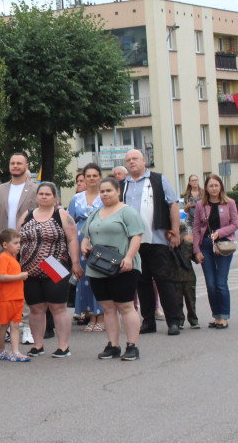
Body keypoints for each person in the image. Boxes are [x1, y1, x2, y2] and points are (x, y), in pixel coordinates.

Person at [81, 177, 146, 362]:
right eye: (102, 191)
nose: (105, 194)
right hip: (98, 267)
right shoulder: (95, 214)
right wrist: (85, 246)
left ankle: (132, 346)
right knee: (108, 307)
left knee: (126, 306)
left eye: (109, 191)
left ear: (118, 191)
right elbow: (87, 236)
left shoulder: (127, 212)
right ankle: (113, 345)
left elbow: (136, 236)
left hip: (123, 266)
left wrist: (129, 258)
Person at [119, 149, 182, 336]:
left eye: (135, 159)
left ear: (144, 161)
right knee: (141, 281)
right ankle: (148, 321)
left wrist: (175, 231)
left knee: (163, 279)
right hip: (132, 242)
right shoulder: (122, 185)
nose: (132, 162)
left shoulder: (158, 180)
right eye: (128, 160)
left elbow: (173, 204)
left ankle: (173, 320)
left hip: (157, 238)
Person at [17, 182, 82, 358]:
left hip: (54, 265)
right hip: (29, 267)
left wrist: (75, 263)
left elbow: (72, 240)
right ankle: (37, 345)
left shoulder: (61, 215)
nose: (44, 197)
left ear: (55, 197)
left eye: (47, 194)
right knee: (36, 307)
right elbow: (17, 240)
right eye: (41, 194)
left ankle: (63, 346)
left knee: (58, 306)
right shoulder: (27, 215)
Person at [0, 153, 38, 345]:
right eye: (12, 163)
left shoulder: (36, 189)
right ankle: (4, 326)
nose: (15, 166)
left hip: (27, 246)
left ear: (26, 166)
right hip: (1, 246)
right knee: (2, 286)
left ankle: (26, 327)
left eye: (19, 163)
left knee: (24, 285)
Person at [193, 175, 238, 329]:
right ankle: (217, 316)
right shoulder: (201, 205)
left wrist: (220, 232)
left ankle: (224, 316)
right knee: (211, 284)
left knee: (221, 282)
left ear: (221, 187)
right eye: (211, 186)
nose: (213, 189)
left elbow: (235, 224)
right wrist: (196, 250)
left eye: (216, 185)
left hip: (224, 244)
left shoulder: (229, 203)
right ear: (206, 188)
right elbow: (196, 228)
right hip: (206, 245)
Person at [68, 164, 104, 331]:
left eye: (94, 175)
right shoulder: (77, 199)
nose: (91, 178)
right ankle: (90, 314)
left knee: (101, 277)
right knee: (85, 278)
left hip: (101, 240)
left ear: (100, 178)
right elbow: (69, 222)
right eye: (88, 176)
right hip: (81, 240)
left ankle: (102, 317)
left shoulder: (104, 196)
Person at [0, 229, 30, 362]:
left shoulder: (12, 258)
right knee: (4, 324)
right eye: (15, 243)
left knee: (14, 325)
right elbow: (1, 277)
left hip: (16, 297)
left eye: (19, 243)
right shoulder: (3, 258)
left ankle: (15, 351)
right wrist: (19, 276)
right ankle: (1, 350)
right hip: (6, 298)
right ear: (5, 245)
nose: (18, 245)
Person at [176, 175, 204, 329]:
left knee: (191, 299)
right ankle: (180, 319)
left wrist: (198, 253)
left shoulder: (187, 244)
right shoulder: (171, 247)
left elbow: (196, 257)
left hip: (188, 276)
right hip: (176, 277)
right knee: (177, 300)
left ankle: (193, 319)